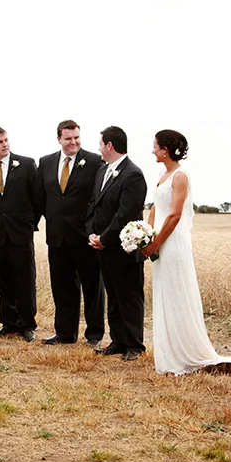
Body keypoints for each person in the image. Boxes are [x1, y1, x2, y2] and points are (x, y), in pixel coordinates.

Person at [141, 131, 231, 375]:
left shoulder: (181, 176)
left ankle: (184, 354)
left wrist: (157, 243)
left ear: (165, 150)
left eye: (155, 146)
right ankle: (169, 351)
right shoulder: (162, 175)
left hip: (172, 243)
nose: (152, 151)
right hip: (158, 240)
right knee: (164, 293)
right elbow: (155, 208)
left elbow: (174, 214)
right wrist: (146, 235)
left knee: (176, 293)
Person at [37, 120, 105, 346]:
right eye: (68, 138)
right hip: (57, 237)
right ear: (59, 139)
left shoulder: (95, 161)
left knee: (92, 288)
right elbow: (41, 198)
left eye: (76, 137)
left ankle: (94, 335)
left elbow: (100, 198)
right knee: (62, 287)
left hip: (85, 238)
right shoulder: (46, 163)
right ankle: (65, 334)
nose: (73, 141)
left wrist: (94, 229)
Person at [0, 126, 42, 342]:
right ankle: (8, 322)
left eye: (6, 140)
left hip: (20, 232)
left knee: (25, 279)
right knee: (1, 278)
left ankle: (27, 324)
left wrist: (29, 224)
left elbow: (37, 198)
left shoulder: (27, 164)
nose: (5, 144)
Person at [86, 126, 147, 361]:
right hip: (103, 248)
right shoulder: (102, 172)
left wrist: (105, 238)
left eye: (100, 143)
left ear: (109, 145)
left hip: (123, 249)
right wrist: (91, 233)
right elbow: (93, 205)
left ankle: (134, 345)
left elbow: (125, 214)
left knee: (129, 297)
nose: (99, 147)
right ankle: (118, 340)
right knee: (112, 295)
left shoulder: (133, 174)